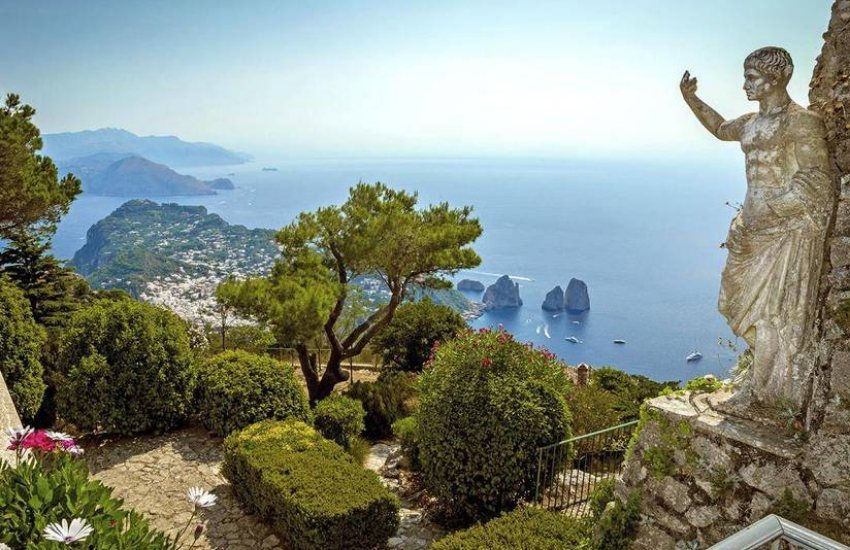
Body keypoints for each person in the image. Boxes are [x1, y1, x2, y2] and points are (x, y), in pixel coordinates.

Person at [680, 47, 834, 408]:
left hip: (785, 235)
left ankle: (760, 393)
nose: (745, 84)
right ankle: (760, 382)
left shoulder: (801, 123)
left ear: (776, 78)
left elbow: (817, 183)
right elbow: (720, 129)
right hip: (750, 230)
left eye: (752, 77)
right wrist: (691, 99)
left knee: (771, 314)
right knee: (732, 302)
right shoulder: (750, 124)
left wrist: (775, 210)